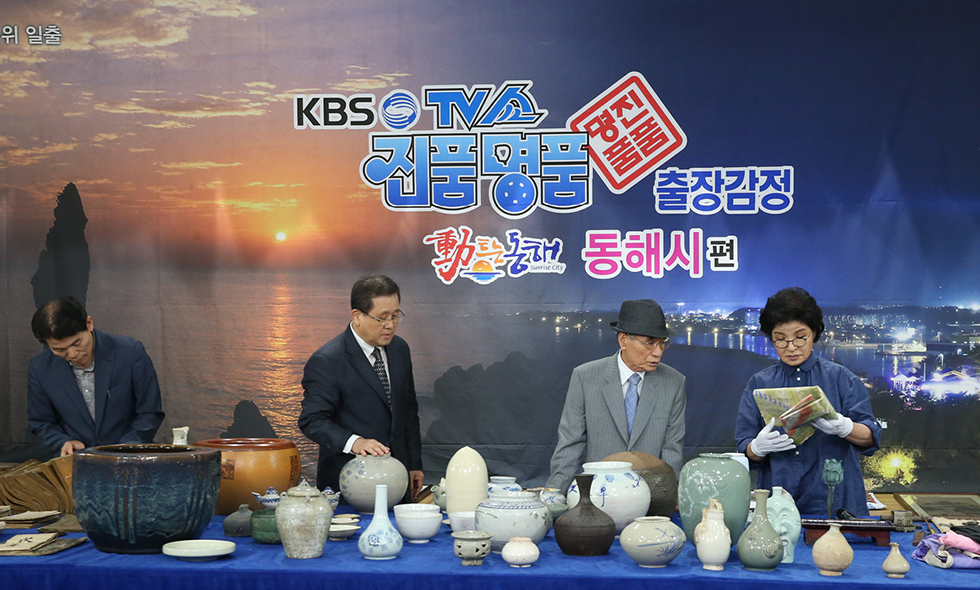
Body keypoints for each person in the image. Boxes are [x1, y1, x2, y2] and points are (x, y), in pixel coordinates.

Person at [735, 287, 882, 516]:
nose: (791, 347)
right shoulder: (759, 383)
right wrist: (756, 448)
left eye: (800, 337)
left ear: (814, 333)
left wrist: (845, 427)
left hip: (835, 499)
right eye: (780, 340)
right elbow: (744, 449)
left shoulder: (841, 378)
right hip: (778, 502)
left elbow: (870, 437)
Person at [299, 274, 424, 498]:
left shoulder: (399, 349)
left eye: (395, 316)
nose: (390, 325)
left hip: (398, 479)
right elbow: (312, 420)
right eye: (382, 318)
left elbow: (408, 411)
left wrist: (414, 464)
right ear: (357, 316)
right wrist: (355, 442)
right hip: (349, 484)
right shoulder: (328, 360)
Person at [546, 299, 686, 493]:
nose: (657, 352)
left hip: (652, 496)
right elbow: (570, 444)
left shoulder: (674, 382)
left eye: (662, 344)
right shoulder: (585, 377)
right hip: (599, 494)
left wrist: (671, 497)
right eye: (649, 343)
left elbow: (672, 449)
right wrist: (555, 496)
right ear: (623, 340)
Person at [28, 297, 165, 457]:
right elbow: (41, 422)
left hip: (130, 458)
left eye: (76, 343)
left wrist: (128, 446)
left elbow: (150, 412)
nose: (72, 354)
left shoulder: (130, 352)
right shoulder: (40, 368)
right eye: (59, 350)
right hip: (76, 461)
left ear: (89, 324)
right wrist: (62, 442)